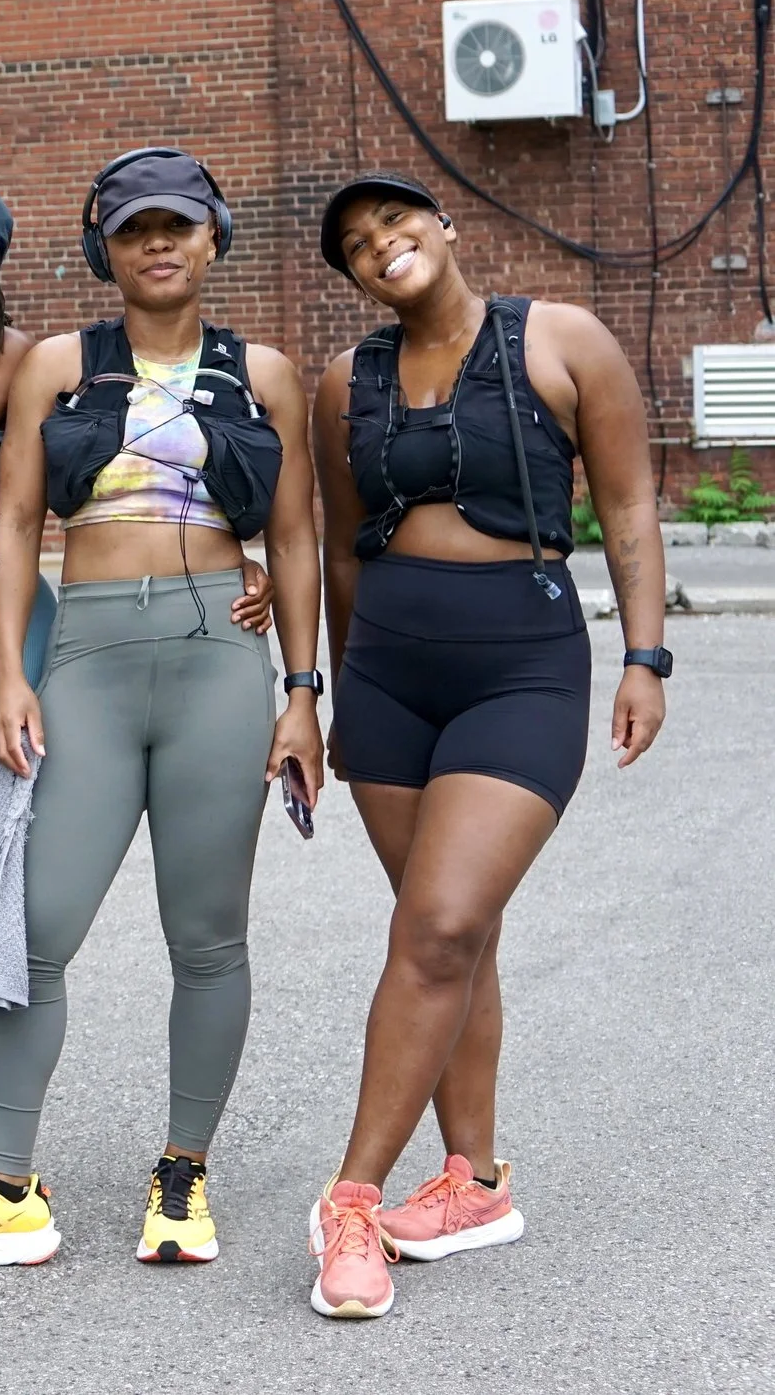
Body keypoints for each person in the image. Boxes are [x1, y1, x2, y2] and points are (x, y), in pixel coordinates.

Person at [0, 147, 324, 1276]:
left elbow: (297, 538)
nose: (158, 243)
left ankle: (182, 1171)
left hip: (220, 660)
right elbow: (19, 517)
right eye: (134, 230)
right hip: (85, 653)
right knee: (30, 929)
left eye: (178, 225)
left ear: (213, 237)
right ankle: (6, 1185)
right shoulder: (61, 366)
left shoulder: (261, 369)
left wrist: (301, 692)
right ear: (105, 249)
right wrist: (9, 678)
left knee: (208, 933)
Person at [303, 174, 666, 1319]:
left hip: (521, 663)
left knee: (442, 921)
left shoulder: (562, 337)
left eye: (396, 223)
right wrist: (333, 691)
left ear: (447, 227)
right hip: (388, 682)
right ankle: (474, 1179)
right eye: (358, 245)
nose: (381, 247)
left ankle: (350, 1197)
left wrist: (646, 657)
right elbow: (343, 548)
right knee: (457, 936)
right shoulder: (342, 381)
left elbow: (632, 498)